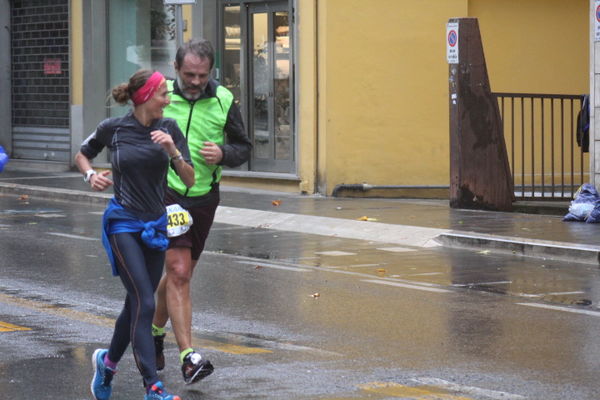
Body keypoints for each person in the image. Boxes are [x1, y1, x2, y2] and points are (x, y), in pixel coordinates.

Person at [75, 69, 195, 400]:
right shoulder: (113, 129)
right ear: (144, 96)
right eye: (163, 95)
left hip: (155, 225)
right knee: (144, 298)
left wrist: (173, 151)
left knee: (135, 305)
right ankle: (153, 387)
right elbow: (83, 153)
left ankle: (107, 363)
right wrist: (89, 176)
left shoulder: (169, 129)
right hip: (123, 221)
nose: (168, 101)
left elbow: (190, 180)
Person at [151, 38, 251, 384]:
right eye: (190, 74)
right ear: (176, 69)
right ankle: (188, 357)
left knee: (182, 274)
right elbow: (131, 132)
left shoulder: (223, 99)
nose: (195, 82)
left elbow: (243, 147)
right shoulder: (159, 92)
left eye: (203, 76)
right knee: (178, 271)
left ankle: (153, 333)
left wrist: (224, 153)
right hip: (166, 192)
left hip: (205, 197)